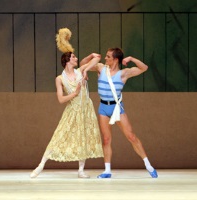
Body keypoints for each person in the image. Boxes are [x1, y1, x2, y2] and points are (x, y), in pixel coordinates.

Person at [30, 28, 104, 179]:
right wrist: (75, 93)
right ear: (67, 60)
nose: (76, 58)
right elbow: (61, 99)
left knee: (82, 138)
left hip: (85, 109)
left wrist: (86, 69)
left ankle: (81, 170)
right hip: (72, 109)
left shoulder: (80, 71)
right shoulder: (60, 78)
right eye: (74, 57)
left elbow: (97, 57)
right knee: (59, 136)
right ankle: (40, 165)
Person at [81, 47, 158, 178]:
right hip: (103, 107)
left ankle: (148, 165)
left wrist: (132, 58)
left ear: (116, 59)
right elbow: (82, 65)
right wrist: (90, 56)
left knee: (131, 137)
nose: (105, 58)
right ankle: (107, 171)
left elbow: (144, 68)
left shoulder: (124, 73)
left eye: (108, 57)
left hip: (117, 108)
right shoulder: (100, 68)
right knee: (106, 140)